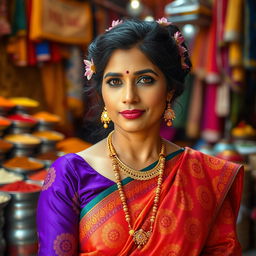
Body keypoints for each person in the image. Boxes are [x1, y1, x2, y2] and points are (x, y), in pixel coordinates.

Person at [37, 18, 244, 256]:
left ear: (170, 89)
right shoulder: (71, 174)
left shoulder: (206, 176)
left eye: (145, 80)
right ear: (101, 93)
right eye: (115, 82)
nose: (129, 96)